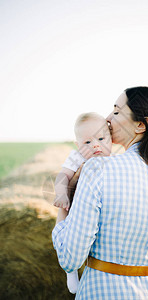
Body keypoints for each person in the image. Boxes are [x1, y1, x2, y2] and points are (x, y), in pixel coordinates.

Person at [52, 87, 148, 299]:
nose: (107, 119)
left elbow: (70, 258)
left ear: (141, 124)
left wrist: (63, 210)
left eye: (116, 112)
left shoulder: (98, 169)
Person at [53, 112, 112, 294]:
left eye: (101, 138)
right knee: (65, 231)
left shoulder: (115, 159)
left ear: (111, 139)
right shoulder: (77, 158)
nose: (95, 145)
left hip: (100, 209)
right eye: (87, 142)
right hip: (75, 207)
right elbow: (63, 175)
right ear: (78, 145)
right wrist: (62, 194)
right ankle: (70, 271)